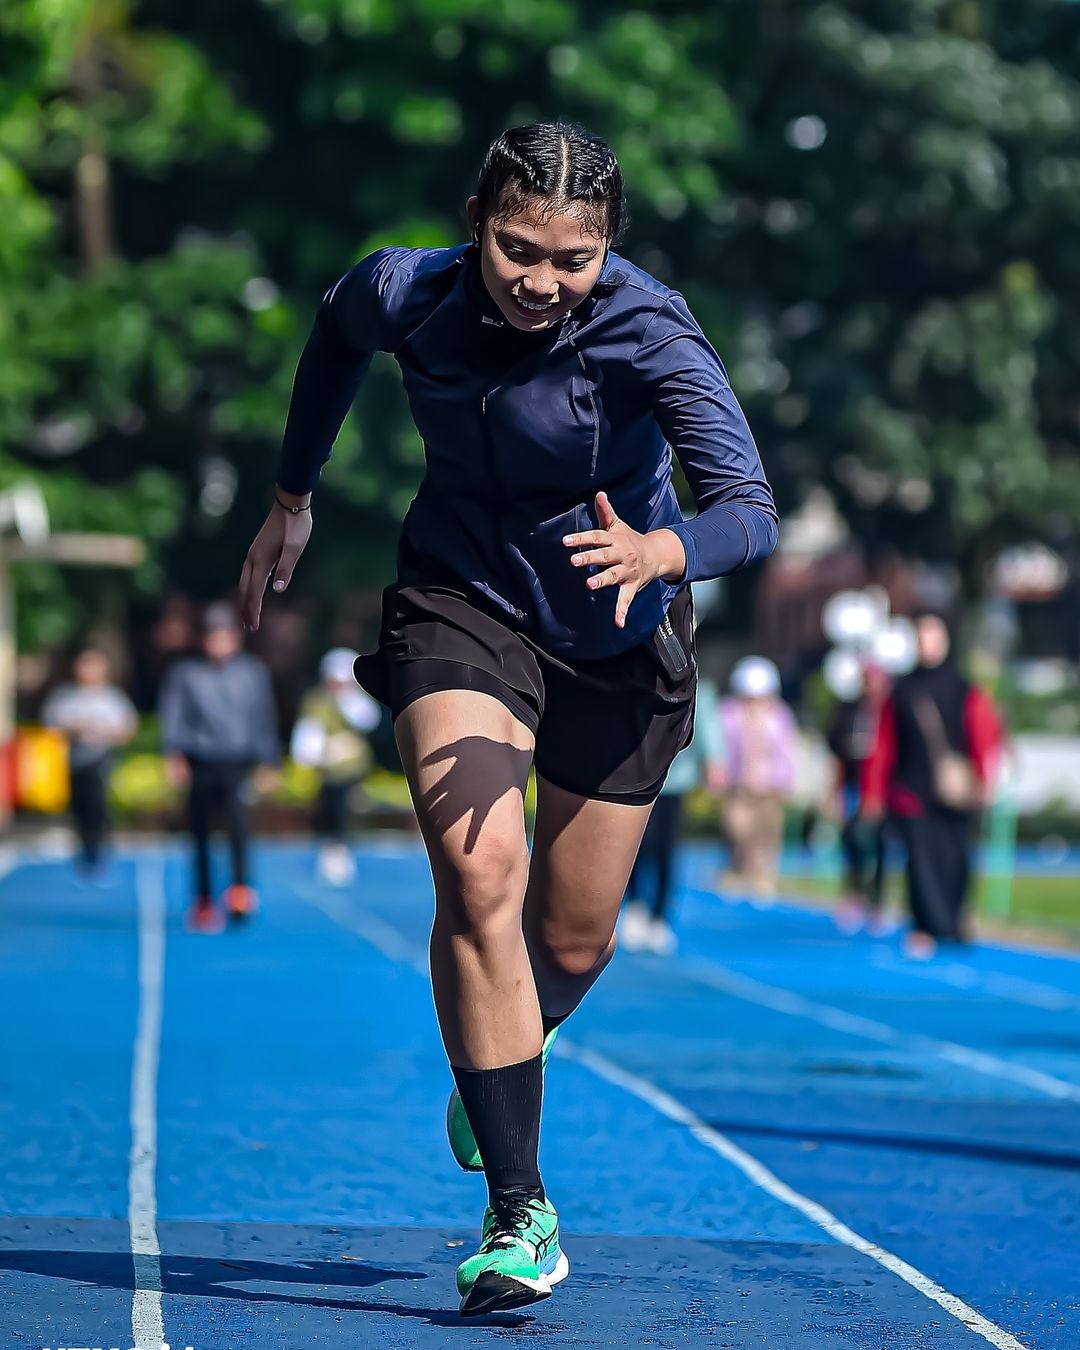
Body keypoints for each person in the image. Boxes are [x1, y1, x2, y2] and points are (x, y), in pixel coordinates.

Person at [237, 122, 777, 1315]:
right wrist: (292, 492)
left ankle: (506, 1050)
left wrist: (667, 550)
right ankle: (519, 1211)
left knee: (573, 944)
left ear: (607, 251)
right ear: (476, 221)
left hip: (618, 631)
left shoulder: (650, 328)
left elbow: (750, 507)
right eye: (517, 248)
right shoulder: (408, 289)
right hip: (461, 599)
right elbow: (333, 336)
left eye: (573, 259)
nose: (541, 281)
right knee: (478, 871)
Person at [861, 611, 1001, 958]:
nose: (928, 644)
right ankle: (924, 925)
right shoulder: (902, 690)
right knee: (920, 862)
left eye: (934, 637)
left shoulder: (963, 688)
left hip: (955, 791)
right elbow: (884, 744)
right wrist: (873, 792)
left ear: (945, 642)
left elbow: (982, 733)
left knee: (955, 859)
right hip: (912, 790)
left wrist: (985, 779)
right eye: (922, 638)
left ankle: (952, 922)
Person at [159, 603, 280, 932]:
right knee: (200, 832)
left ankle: (240, 891)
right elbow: (173, 715)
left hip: (237, 760)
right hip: (201, 760)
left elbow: (263, 717)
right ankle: (203, 900)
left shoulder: (253, 673)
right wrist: (173, 755)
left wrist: (269, 760)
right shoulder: (185, 673)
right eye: (212, 635)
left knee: (238, 828)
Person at [621, 675, 724, 955]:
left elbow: (706, 725)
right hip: (637, 776)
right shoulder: (639, 672)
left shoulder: (696, 681)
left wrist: (713, 762)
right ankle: (635, 905)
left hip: (675, 780)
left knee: (666, 848)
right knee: (639, 844)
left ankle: (659, 916)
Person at [41, 648, 137, 878]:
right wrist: (74, 728)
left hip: (101, 759)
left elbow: (127, 729)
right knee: (78, 808)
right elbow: (50, 726)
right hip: (74, 760)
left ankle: (99, 851)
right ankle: (83, 851)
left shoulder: (113, 698)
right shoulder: (65, 696)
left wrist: (105, 732)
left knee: (98, 806)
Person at [290, 647, 381, 885]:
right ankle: (329, 850)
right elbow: (308, 731)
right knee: (327, 810)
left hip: (351, 770)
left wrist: (346, 698)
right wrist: (308, 756)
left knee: (345, 809)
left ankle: (343, 851)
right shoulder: (316, 700)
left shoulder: (354, 699)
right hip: (326, 770)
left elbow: (367, 720)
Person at [718, 656, 798, 899]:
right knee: (737, 829)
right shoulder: (729, 713)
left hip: (769, 786)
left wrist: (788, 779)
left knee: (767, 833)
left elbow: (786, 750)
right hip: (739, 784)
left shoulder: (780, 715)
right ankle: (739, 867)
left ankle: (763, 875)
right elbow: (721, 747)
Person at [825, 662, 892, 934]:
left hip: (883, 789)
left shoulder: (891, 711)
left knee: (878, 844)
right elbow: (837, 754)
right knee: (852, 839)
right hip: (853, 785)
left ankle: (877, 901)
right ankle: (853, 894)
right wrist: (834, 792)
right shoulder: (848, 710)